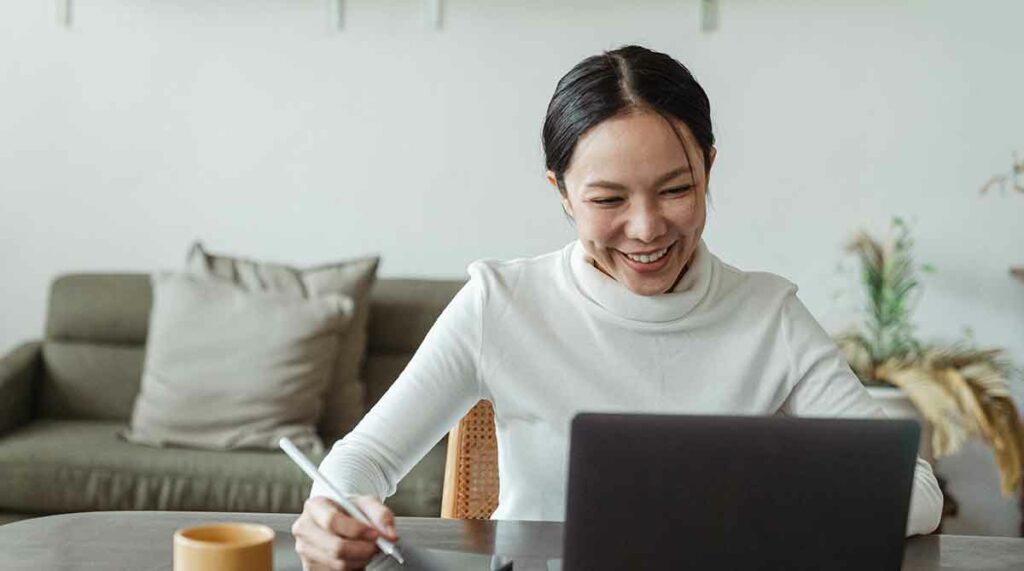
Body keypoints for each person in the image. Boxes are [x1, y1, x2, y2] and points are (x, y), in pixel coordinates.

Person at [291, 45, 943, 570]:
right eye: (607, 199)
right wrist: (332, 510)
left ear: (709, 169)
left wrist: (761, 501)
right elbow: (361, 458)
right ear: (563, 192)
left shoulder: (768, 314)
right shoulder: (502, 303)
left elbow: (915, 492)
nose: (646, 228)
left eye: (677, 189)